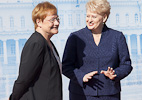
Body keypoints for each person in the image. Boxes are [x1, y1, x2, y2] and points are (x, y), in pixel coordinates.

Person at [62, 0, 133, 100]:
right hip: (81, 94)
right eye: (87, 16)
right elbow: (66, 66)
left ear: (104, 17)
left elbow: (126, 65)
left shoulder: (117, 37)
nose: (89, 20)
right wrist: (81, 76)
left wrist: (115, 74)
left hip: (109, 95)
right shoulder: (75, 37)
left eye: (94, 17)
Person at [9, 1, 62, 100]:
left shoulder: (48, 43)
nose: (57, 23)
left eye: (57, 19)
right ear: (39, 22)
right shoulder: (36, 44)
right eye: (52, 20)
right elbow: (24, 79)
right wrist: (13, 98)